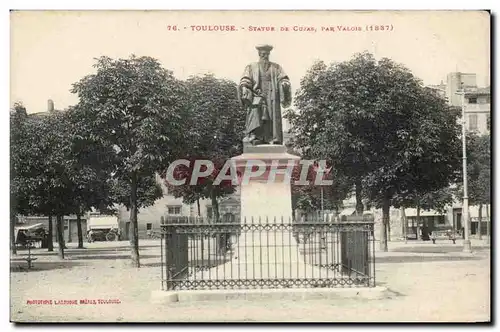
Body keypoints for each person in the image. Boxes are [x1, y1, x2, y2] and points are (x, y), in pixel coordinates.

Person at [238, 44, 292, 145]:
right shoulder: (252, 66)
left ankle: (271, 138)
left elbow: (283, 78)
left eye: (267, 54)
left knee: (272, 118)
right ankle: (257, 137)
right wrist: (245, 86)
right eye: (263, 54)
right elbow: (245, 79)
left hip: (272, 95)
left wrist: (284, 83)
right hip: (257, 95)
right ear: (259, 54)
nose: (265, 56)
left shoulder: (276, 67)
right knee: (256, 115)